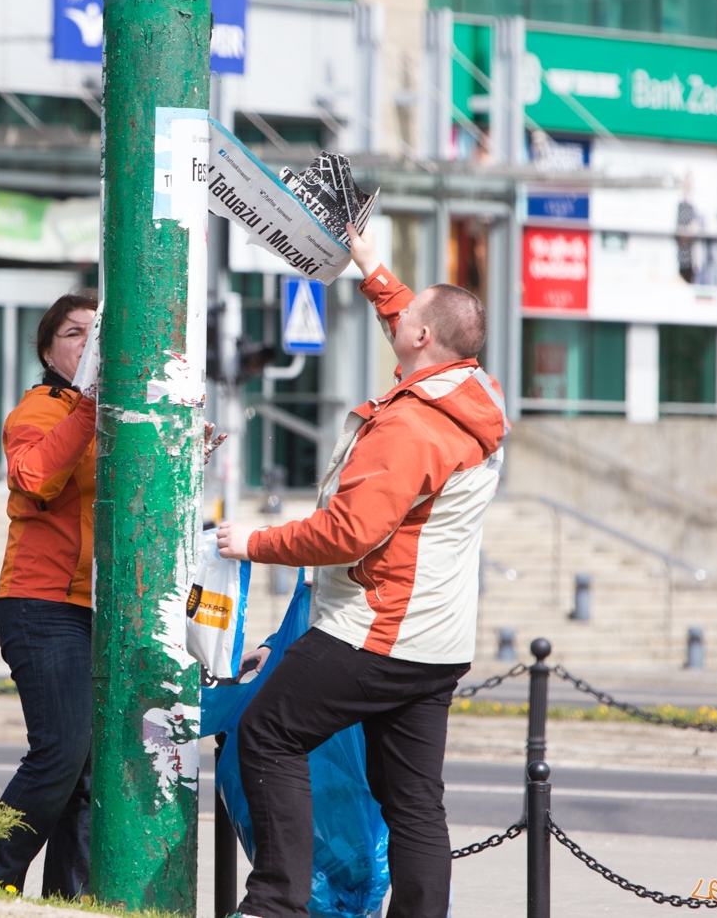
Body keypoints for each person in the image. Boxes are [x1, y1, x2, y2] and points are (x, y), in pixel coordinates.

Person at [215, 220, 509, 918]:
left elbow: (351, 531)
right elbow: (423, 322)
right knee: (413, 799)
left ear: (422, 340)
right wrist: (372, 265)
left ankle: (276, 903)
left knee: (267, 732)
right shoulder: (476, 394)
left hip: (377, 632)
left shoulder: (410, 428)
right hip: (438, 645)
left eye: (404, 316)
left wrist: (254, 541)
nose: (396, 315)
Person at [0, 291, 100, 899]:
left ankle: (67, 901)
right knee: (61, 750)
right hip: (39, 605)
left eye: (98, 331)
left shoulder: (104, 413)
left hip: (91, 609)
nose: (90, 342)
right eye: (76, 333)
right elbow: (34, 477)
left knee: (86, 770)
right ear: (47, 350)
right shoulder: (42, 407)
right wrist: (91, 409)